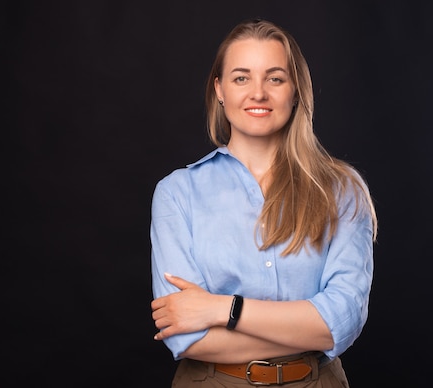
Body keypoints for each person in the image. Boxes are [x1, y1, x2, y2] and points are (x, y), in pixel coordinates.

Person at [150, 18, 377, 387]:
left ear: (295, 90)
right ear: (219, 89)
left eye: (274, 78)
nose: (258, 93)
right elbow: (185, 335)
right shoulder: (177, 193)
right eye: (242, 78)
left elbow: (343, 321)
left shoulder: (341, 189)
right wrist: (305, 326)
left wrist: (224, 309)